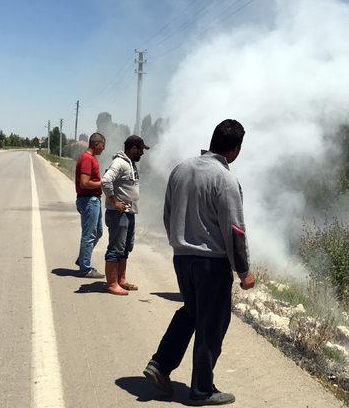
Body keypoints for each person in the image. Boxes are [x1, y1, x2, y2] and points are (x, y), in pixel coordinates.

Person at [143, 119, 256, 406]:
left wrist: (179, 243)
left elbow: (168, 214)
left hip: (182, 257)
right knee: (212, 323)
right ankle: (202, 390)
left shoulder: (181, 169)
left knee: (191, 312)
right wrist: (243, 271)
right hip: (212, 264)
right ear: (235, 150)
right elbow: (235, 230)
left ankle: (160, 364)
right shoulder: (225, 179)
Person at [101, 135, 149, 295]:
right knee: (115, 248)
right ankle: (112, 284)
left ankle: (121, 280)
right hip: (118, 214)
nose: (142, 153)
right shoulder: (120, 163)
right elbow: (106, 181)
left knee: (126, 248)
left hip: (128, 213)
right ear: (133, 148)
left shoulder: (131, 164)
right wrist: (114, 201)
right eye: (141, 150)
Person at [75, 132, 106, 278]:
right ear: (96, 144)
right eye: (102, 145)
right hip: (88, 200)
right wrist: (103, 182)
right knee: (89, 235)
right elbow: (84, 183)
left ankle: (82, 259)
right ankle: (85, 268)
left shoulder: (91, 158)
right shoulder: (87, 159)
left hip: (93, 200)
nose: (103, 148)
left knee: (98, 232)